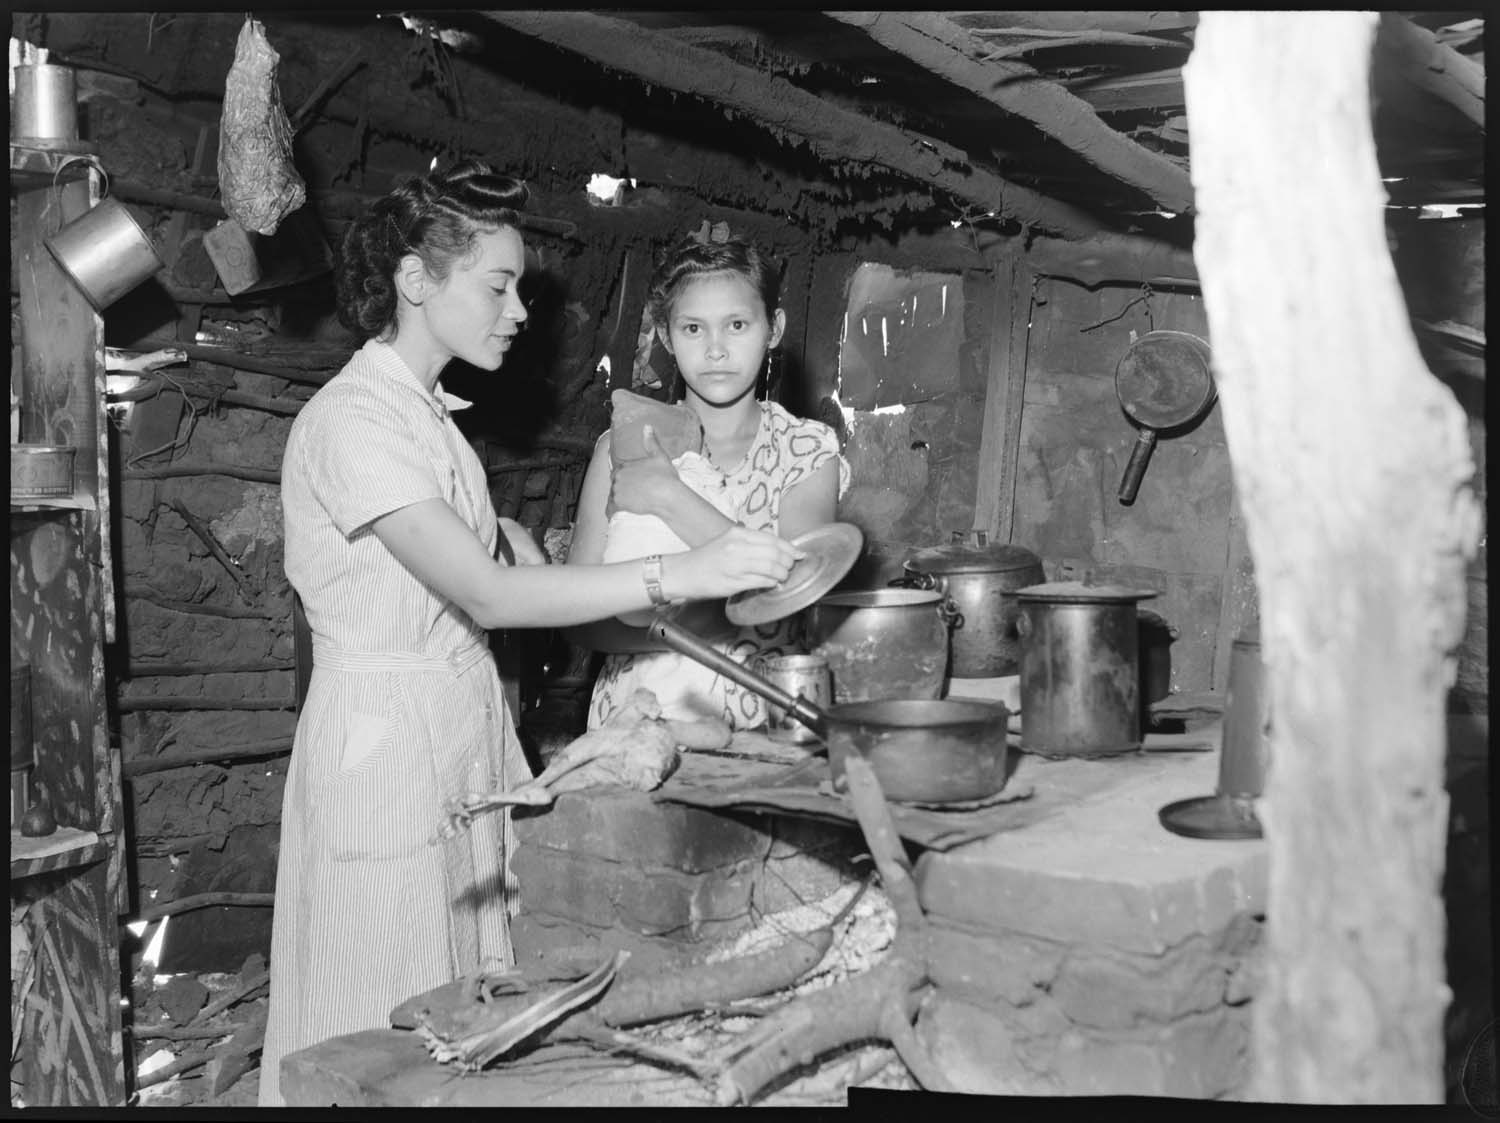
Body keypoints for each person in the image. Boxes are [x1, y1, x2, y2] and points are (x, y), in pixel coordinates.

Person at [258, 163, 799, 1106]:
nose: (518, 311)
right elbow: (489, 596)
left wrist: (506, 536)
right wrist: (679, 572)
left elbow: (459, 567)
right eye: (497, 286)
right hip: (384, 749)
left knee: (455, 1012)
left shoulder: (427, 419)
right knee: (369, 1015)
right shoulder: (352, 421)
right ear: (416, 281)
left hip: (452, 730)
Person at [567, 232, 849, 731]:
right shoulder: (622, 448)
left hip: (761, 721)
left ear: (774, 328)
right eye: (693, 328)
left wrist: (670, 498)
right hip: (635, 716)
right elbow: (580, 615)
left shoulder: (804, 450)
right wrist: (710, 623)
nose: (716, 349)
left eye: (737, 325)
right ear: (666, 335)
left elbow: (792, 588)